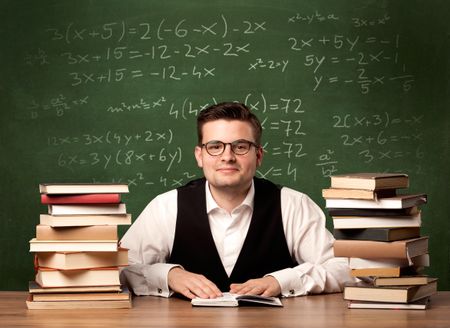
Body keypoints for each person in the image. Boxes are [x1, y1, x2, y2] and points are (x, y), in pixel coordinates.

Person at [120, 102, 351, 299]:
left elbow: (344, 269)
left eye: (240, 146)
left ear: (258, 155)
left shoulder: (292, 205)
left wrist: (282, 281)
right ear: (200, 156)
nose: (227, 157)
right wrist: (169, 275)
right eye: (215, 147)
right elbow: (119, 269)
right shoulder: (166, 206)